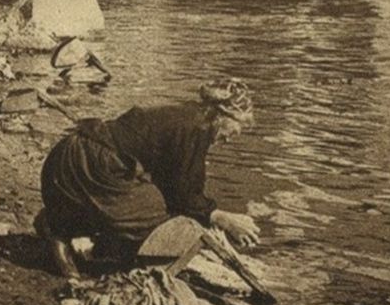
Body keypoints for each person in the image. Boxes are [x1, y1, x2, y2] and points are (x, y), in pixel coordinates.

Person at [35, 80, 263, 279]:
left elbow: (173, 184)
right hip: (89, 167)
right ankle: (61, 230)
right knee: (169, 222)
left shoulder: (187, 115)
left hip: (67, 159)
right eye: (236, 128)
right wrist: (223, 218)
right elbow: (184, 197)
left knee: (151, 204)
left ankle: (64, 220)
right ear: (222, 115)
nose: (232, 138)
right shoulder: (197, 127)